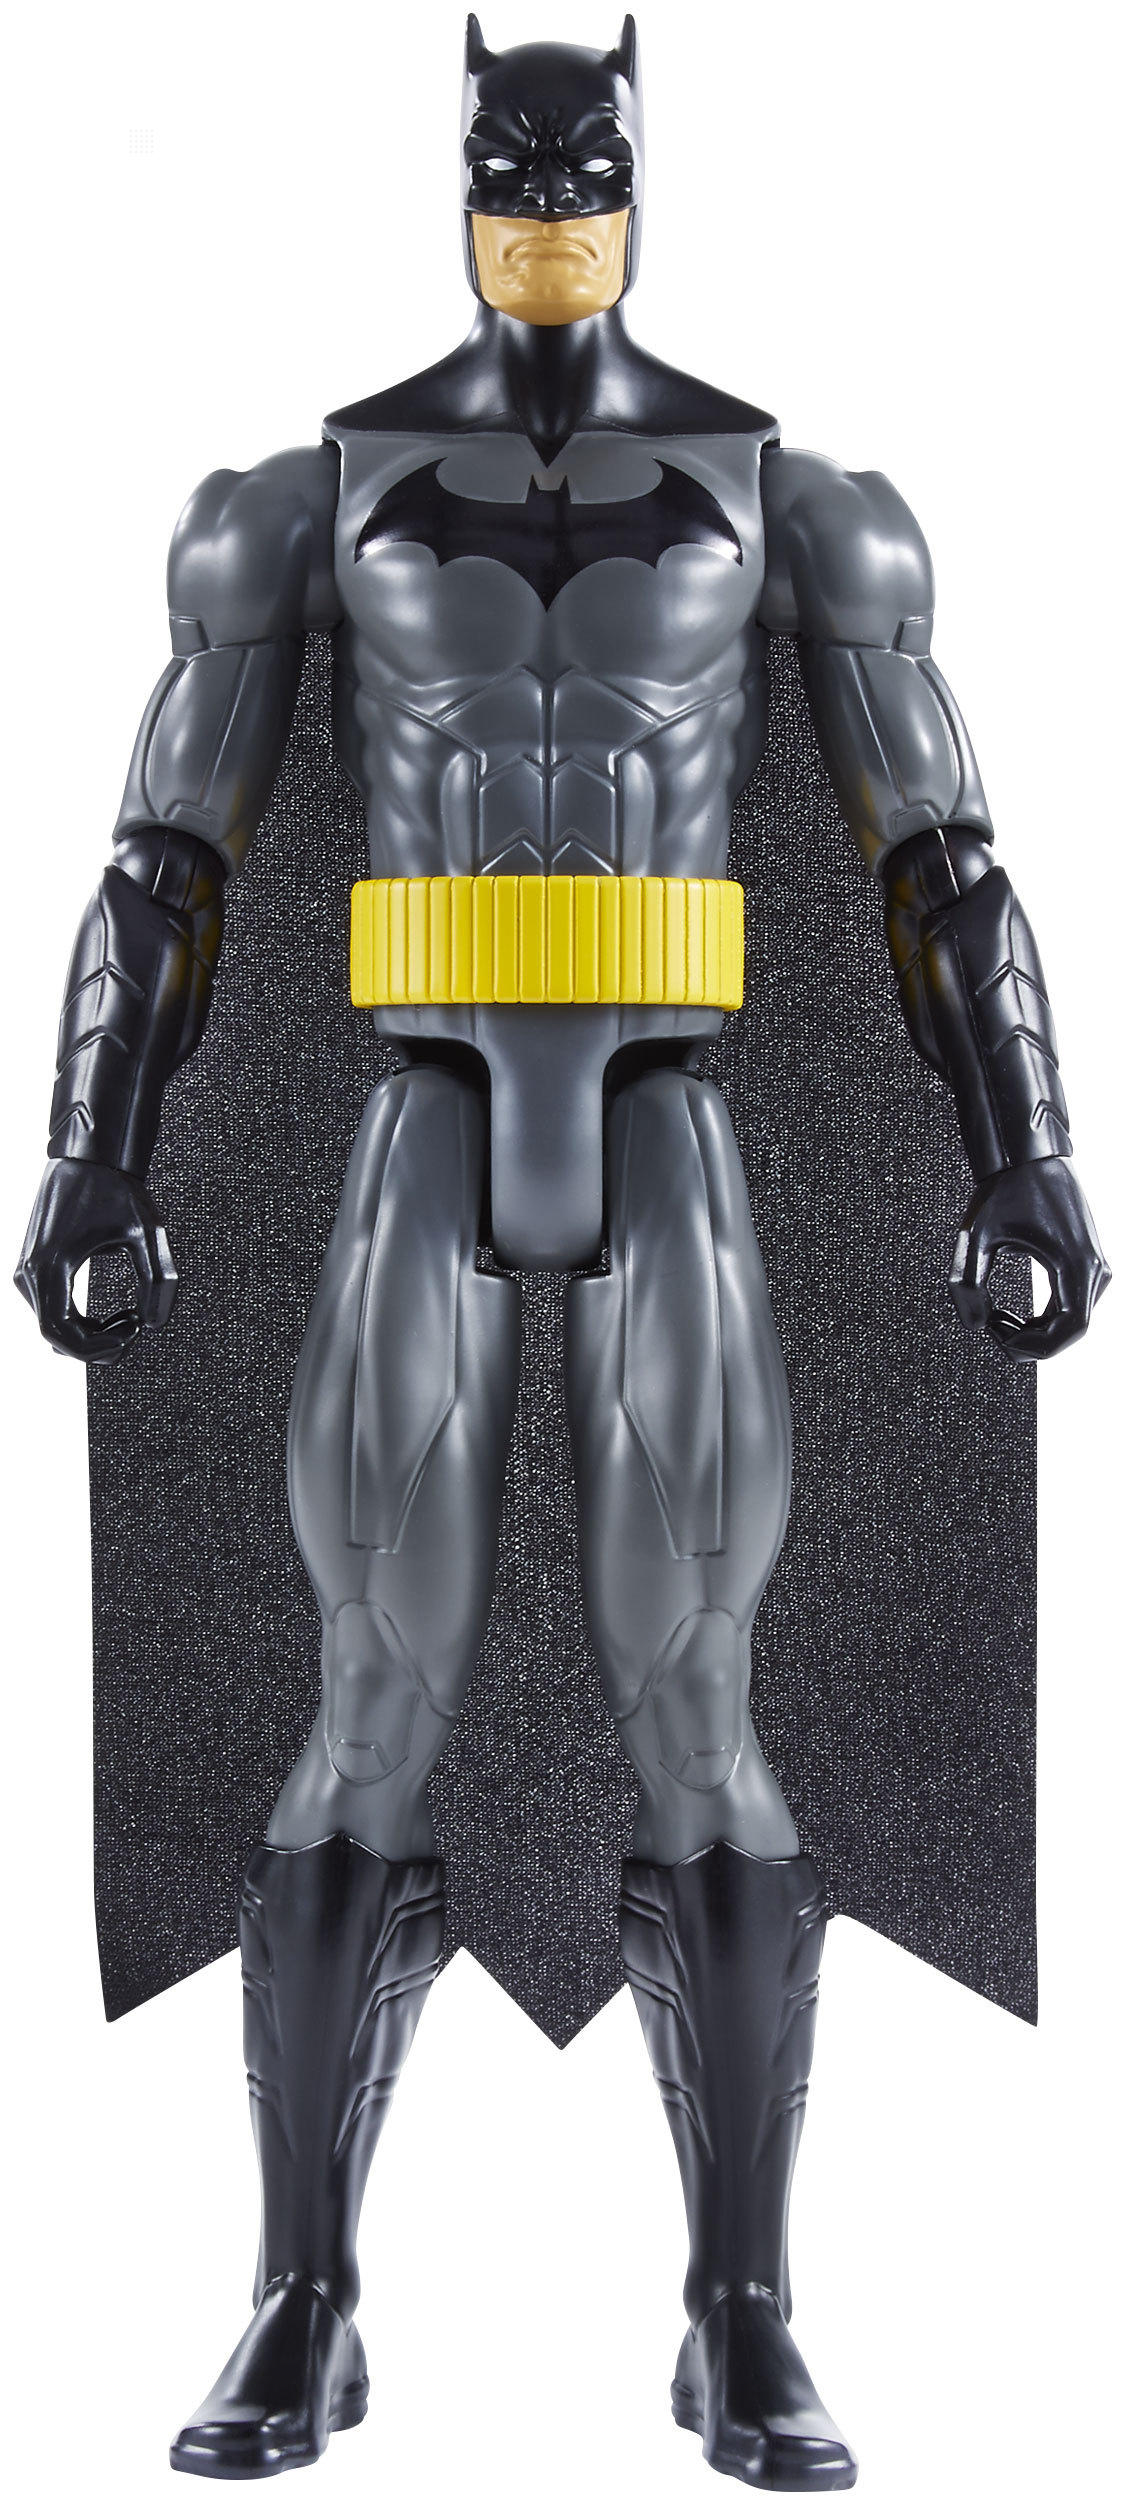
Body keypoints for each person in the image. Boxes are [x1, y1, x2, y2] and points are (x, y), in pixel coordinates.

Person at [15, 17, 1108, 2491]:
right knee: (362, 1691)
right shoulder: (299, 503)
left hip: (673, 1104)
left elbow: (937, 864)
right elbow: (163, 866)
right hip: (412, 1104)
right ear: (452, 174)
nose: (539, 194)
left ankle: (741, 2306)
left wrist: (1019, 1141)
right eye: (503, 162)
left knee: (698, 1694)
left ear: (637, 165)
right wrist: (95, 1138)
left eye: (575, 158)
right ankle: (304, 2290)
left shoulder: (790, 502)